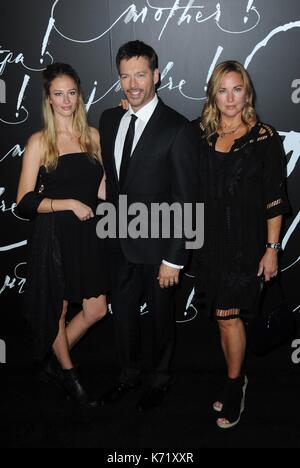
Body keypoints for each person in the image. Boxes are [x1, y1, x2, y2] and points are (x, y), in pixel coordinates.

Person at [98, 40, 200, 411]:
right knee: (123, 317)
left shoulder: (177, 128)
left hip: (159, 249)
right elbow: (114, 180)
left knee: (160, 320)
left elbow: (188, 199)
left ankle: (159, 379)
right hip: (118, 243)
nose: (133, 84)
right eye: (125, 76)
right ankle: (128, 375)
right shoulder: (110, 119)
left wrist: (175, 258)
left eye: (140, 75)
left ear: (156, 76)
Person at [195, 60, 289, 428]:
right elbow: (163, 131)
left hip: (246, 247)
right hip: (210, 247)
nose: (230, 98)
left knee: (230, 318)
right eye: (223, 90)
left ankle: (235, 386)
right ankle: (237, 376)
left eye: (237, 89)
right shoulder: (201, 134)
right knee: (222, 320)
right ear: (213, 95)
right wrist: (130, 106)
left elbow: (274, 198)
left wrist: (272, 248)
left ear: (246, 92)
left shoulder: (264, 136)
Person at [17, 63, 108, 406]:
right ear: (49, 99)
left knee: (96, 309)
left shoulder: (94, 136)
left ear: (78, 95)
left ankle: (54, 363)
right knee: (58, 306)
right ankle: (70, 377)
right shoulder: (40, 142)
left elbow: (101, 191)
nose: (66, 100)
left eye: (72, 92)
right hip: (54, 235)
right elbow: (24, 202)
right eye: (59, 94)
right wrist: (68, 202)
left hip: (88, 236)